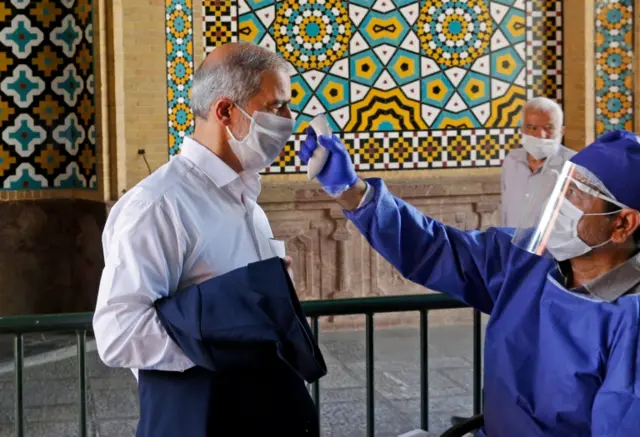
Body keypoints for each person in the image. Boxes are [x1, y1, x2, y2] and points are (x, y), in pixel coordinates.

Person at [299, 128, 640, 436]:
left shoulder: (630, 318)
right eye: (564, 186)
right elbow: (436, 249)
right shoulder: (527, 261)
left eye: (578, 194)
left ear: (623, 224)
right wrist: (352, 191)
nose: (559, 203)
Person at [94, 42, 321, 435]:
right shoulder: (158, 206)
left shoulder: (246, 199)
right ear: (225, 111)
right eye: (276, 106)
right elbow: (120, 334)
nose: (289, 119)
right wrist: (229, 323)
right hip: (202, 418)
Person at [501, 97, 575, 227]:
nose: (540, 135)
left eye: (548, 128)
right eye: (532, 127)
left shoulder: (574, 165)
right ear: (522, 130)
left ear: (561, 131)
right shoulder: (511, 161)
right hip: (512, 244)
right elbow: (505, 209)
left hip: (551, 247)